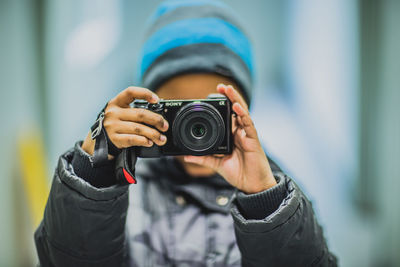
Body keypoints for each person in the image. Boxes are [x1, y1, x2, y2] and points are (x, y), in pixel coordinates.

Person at [34, 1, 337, 266]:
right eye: (179, 111)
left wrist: (263, 200)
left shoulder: (278, 196)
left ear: (244, 109)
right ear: (149, 108)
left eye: (212, 111)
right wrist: (94, 172)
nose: (196, 131)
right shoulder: (122, 186)